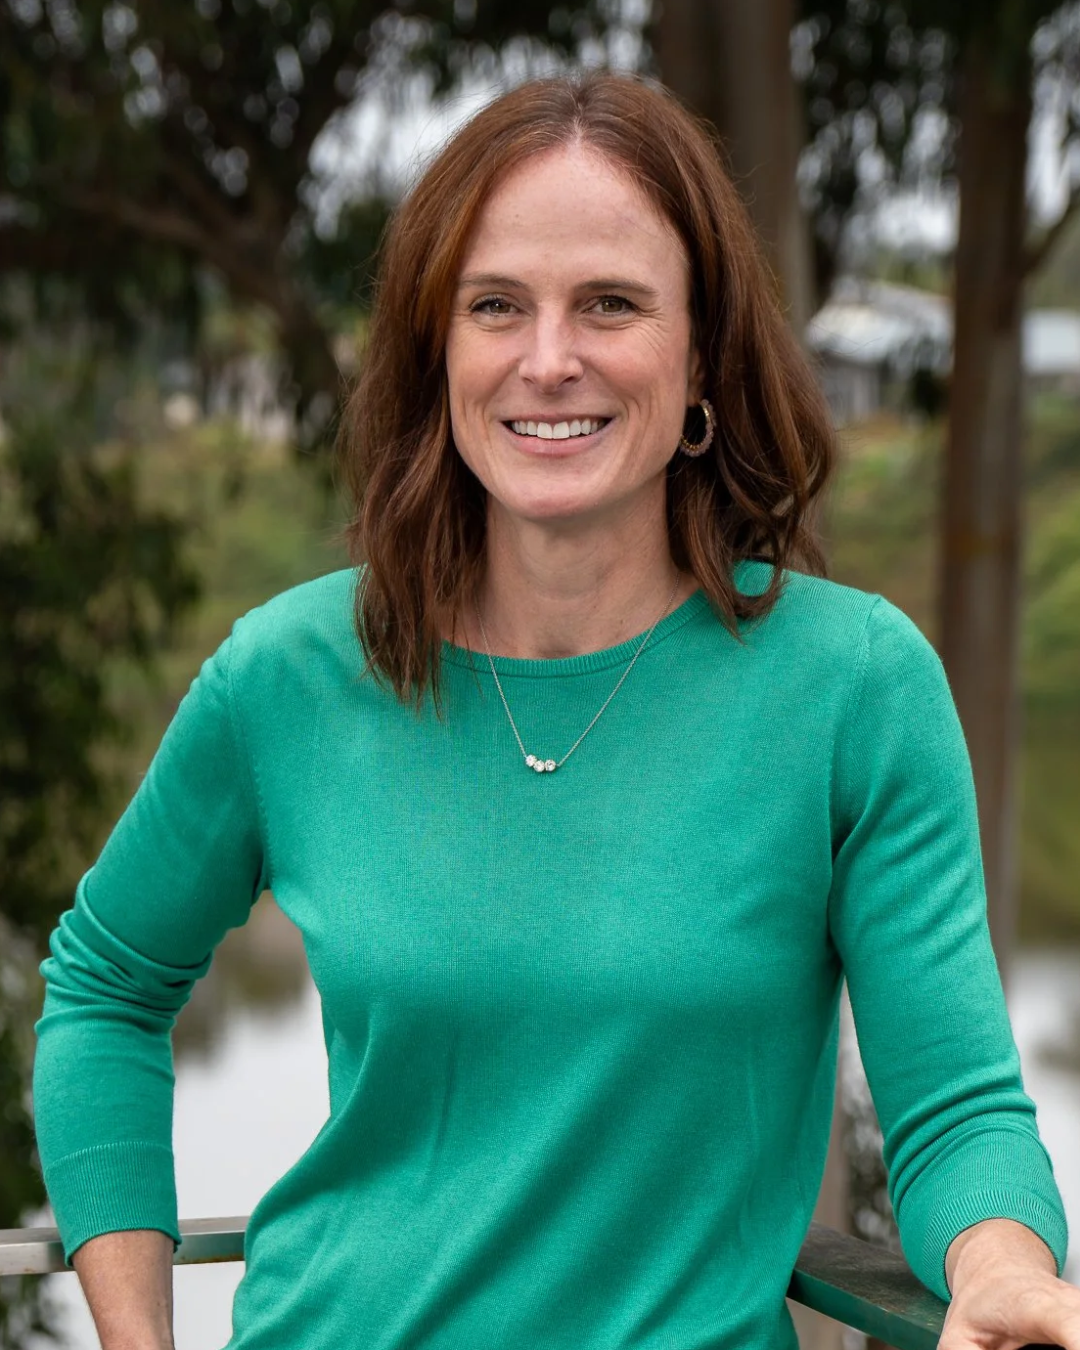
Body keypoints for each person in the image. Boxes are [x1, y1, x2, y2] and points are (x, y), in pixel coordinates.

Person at [32, 72, 1080, 1350]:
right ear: (439, 353)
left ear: (703, 355)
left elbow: (955, 1107)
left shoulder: (853, 686)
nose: (546, 360)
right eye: (495, 306)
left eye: (610, 304)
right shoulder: (287, 674)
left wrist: (1002, 1267)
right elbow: (104, 989)